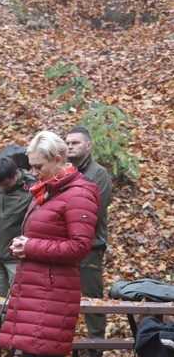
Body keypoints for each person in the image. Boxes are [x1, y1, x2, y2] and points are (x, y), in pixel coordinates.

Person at [0, 131, 99, 357]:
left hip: (54, 292)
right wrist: (23, 244)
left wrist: (31, 247)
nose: (34, 173)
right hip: (33, 288)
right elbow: (45, 236)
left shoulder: (79, 193)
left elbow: (80, 247)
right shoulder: (47, 191)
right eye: (31, 166)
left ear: (58, 161)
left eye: (39, 166)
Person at [66, 126, 112, 341]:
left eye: (75, 143)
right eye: (67, 143)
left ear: (88, 145)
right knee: (64, 296)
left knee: (92, 297)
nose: (70, 146)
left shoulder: (98, 174)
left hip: (90, 246)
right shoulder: (65, 172)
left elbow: (95, 210)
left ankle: (96, 345)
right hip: (64, 245)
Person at [0, 156, 35, 297]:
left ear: (15, 174)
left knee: (20, 298)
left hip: (17, 255)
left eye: (7, 184)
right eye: (0, 184)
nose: (3, 188)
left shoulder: (30, 189)